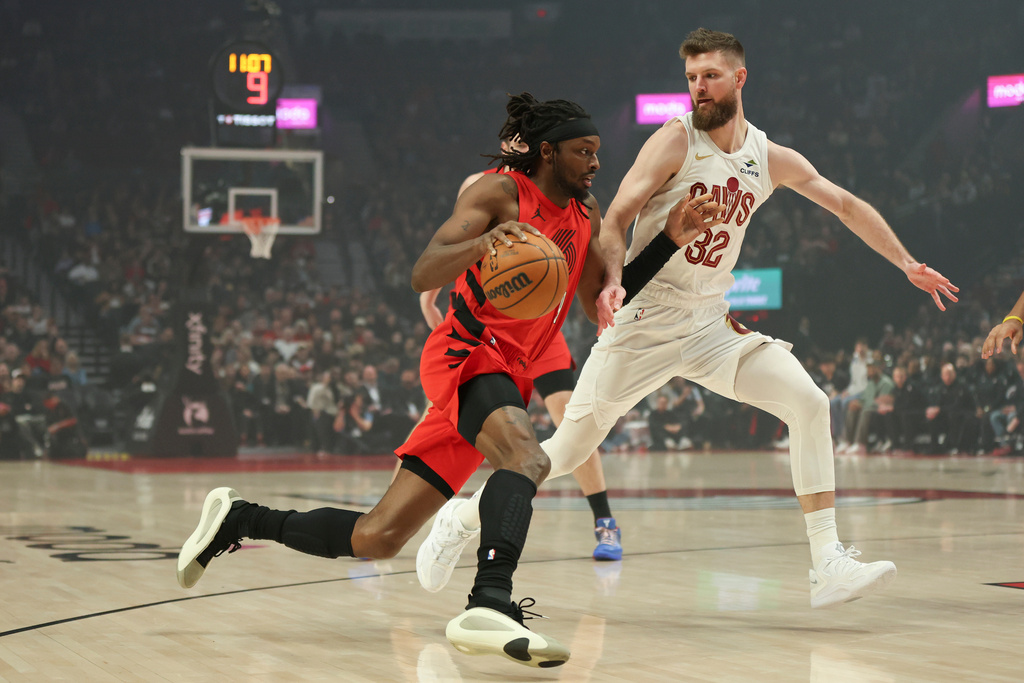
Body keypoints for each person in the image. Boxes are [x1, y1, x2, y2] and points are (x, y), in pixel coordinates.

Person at [176, 92, 722, 668]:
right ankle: (490, 600)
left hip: (507, 374)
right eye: (583, 151)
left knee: (378, 537)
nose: (595, 163)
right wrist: (482, 244)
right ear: (548, 151)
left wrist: (668, 241)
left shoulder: (585, 215)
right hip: (465, 355)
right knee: (527, 460)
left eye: (596, 152)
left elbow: (597, 304)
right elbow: (421, 272)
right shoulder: (498, 192)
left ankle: (241, 518)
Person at [420, 28, 959, 609]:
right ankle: (464, 515)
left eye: (710, 76)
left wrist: (906, 263)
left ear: (739, 78)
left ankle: (827, 562)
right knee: (568, 450)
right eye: (691, 79)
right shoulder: (674, 141)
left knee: (809, 402)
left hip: (708, 327)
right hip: (643, 323)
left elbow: (846, 205)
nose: (699, 88)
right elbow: (615, 214)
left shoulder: (769, 157)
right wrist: (613, 281)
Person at [415, 135, 624, 573]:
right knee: (440, 418)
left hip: (536, 331)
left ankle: (604, 520)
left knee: (571, 416)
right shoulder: (484, 186)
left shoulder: (565, 198)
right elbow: (460, 243)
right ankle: (411, 517)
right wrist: (431, 297)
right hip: (482, 328)